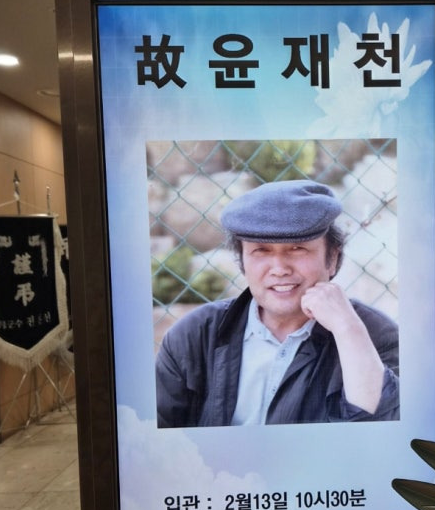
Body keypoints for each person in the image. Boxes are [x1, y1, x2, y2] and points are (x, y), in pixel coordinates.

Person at [155, 179, 399, 427]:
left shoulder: (376, 336)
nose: (280, 269)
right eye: (261, 251)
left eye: (297, 248)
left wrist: (348, 330)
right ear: (242, 261)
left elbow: (381, 435)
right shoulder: (194, 335)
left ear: (332, 258)